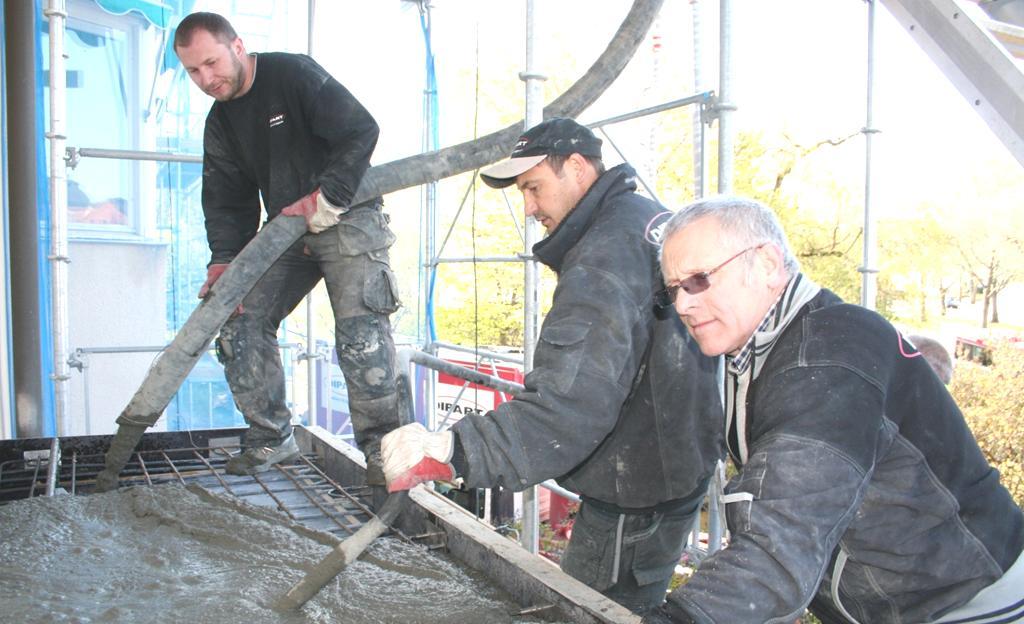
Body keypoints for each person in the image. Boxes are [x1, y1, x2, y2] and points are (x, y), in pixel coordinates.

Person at [380, 118, 723, 613]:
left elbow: (569, 402)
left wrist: (455, 449)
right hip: (674, 468)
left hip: (633, 492)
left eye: (534, 187)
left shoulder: (602, 257)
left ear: (578, 168)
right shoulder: (647, 220)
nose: (529, 208)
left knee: (590, 609)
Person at [644, 195, 1024, 623]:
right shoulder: (762, 349)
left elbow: (779, 545)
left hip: (966, 605)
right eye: (673, 290)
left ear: (767, 264)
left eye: (697, 279)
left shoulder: (827, 356)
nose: (682, 305)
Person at [173, 13, 403, 489]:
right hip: (286, 230)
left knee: (362, 337)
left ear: (237, 45)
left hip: (348, 214)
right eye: (193, 72)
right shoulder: (221, 123)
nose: (206, 79)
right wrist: (225, 262)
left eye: (211, 63)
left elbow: (361, 129)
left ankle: (386, 453)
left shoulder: (292, 75)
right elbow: (226, 199)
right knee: (236, 319)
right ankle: (270, 435)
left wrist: (331, 195)